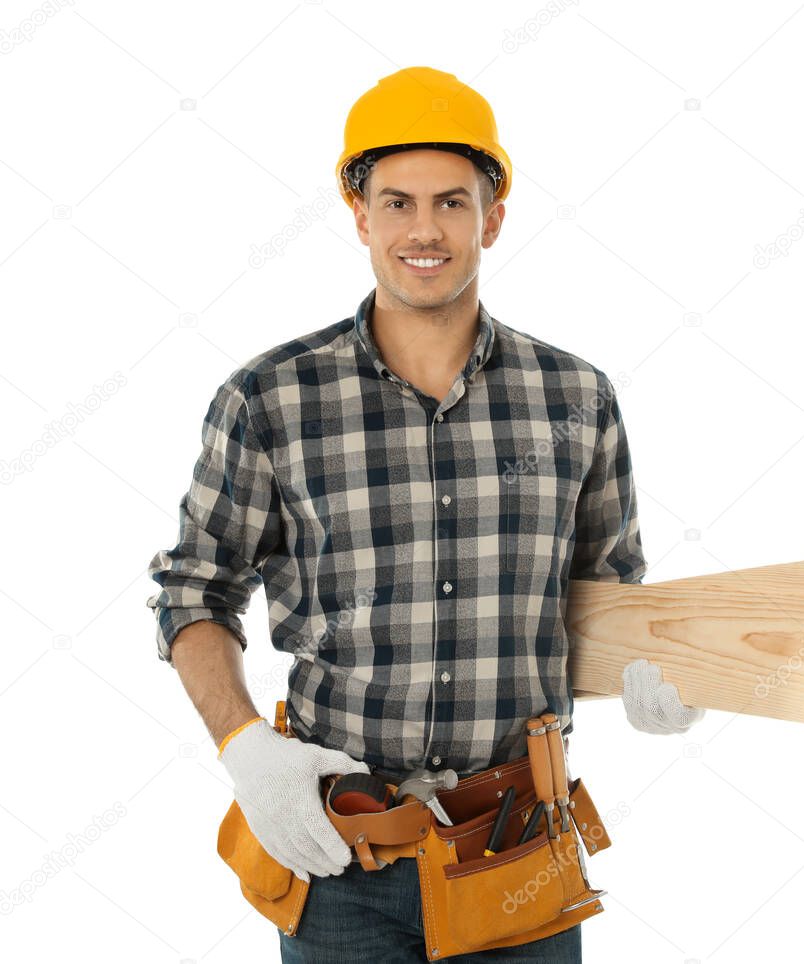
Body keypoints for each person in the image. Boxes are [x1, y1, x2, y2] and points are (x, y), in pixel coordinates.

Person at [146, 65, 704, 963]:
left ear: (493, 217)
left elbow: (608, 594)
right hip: (339, 857)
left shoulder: (576, 399)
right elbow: (193, 592)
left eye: (451, 202)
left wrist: (670, 677)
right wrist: (246, 747)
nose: (424, 230)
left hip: (517, 853)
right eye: (397, 202)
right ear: (361, 217)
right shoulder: (270, 399)